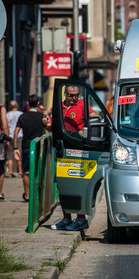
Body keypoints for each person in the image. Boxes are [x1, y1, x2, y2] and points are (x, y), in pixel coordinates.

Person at [52, 86, 98, 231]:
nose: (74, 98)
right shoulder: (60, 107)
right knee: (62, 184)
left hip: (77, 149)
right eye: (71, 95)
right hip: (62, 149)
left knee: (77, 184)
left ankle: (80, 220)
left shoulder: (82, 105)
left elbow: (96, 117)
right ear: (65, 94)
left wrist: (85, 130)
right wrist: (48, 125)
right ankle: (66, 218)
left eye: (76, 95)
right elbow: (55, 125)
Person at [13, 95, 49, 204]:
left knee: (26, 172)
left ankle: (27, 195)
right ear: (38, 103)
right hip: (39, 147)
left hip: (26, 147)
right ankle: (39, 195)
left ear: (28, 103)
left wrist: (15, 147)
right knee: (39, 171)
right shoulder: (42, 116)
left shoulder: (22, 116)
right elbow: (48, 130)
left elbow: (16, 133)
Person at [5, 100, 23, 178]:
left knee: (10, 155)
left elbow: (5, 126)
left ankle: (10, 172)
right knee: (19, 154)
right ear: (17, 106)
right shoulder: (21, 114)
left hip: (10, 136)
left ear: (9, 106)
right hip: (20, 136)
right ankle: (20, 172)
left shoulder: (7, 115)